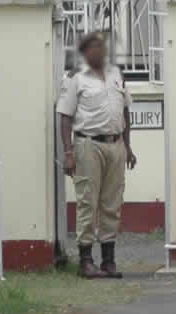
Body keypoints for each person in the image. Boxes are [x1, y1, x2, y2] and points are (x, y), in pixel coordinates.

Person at [57, 32, 138, 278]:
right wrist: (68, 153)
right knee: (87, 202)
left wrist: (128, 147)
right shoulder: (76, 77)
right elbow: (65, 117)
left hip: (116, 145)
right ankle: (85, 261)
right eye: (94, 47)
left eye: (102, 47)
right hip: (88, 145)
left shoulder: (116, 74)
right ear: (85, 52)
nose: (100, 51)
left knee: (112, 203)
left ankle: (108, 261)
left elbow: (125, 112)